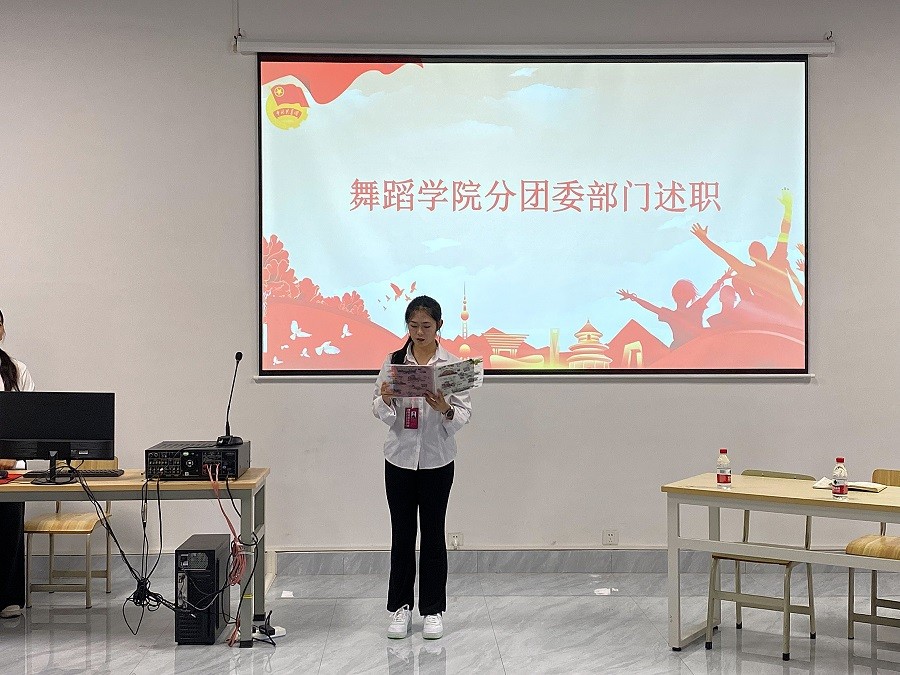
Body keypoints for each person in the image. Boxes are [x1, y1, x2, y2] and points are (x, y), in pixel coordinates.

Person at [372, 296, 472, 641]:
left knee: (432, 534)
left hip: (437, 459)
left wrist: (445, 408)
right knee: (401, 534)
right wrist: (387, 399)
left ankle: (432, 610)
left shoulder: (452, 366)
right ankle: (400, 608)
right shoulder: (394, 361)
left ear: (439, 326)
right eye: (413, 325)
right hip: (399, 458)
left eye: (426, 326)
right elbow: (377, 406)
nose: (419, 332)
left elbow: (463, 413)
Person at [0, 309, 35, 619]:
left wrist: (11, 456)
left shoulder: (16, 370)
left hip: (11, 467)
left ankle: (8, 598)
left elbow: (29, 424)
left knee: (10, 522)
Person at [617, 270, 731, 349]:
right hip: (684, 349)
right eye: (680, 293)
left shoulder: (692, 309)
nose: (682, 296)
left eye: (683, 293)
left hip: (694, 347)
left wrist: (633, 298)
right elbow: (651, 307)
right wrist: (633, 298)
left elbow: (711, 292)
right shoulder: (683, 311)